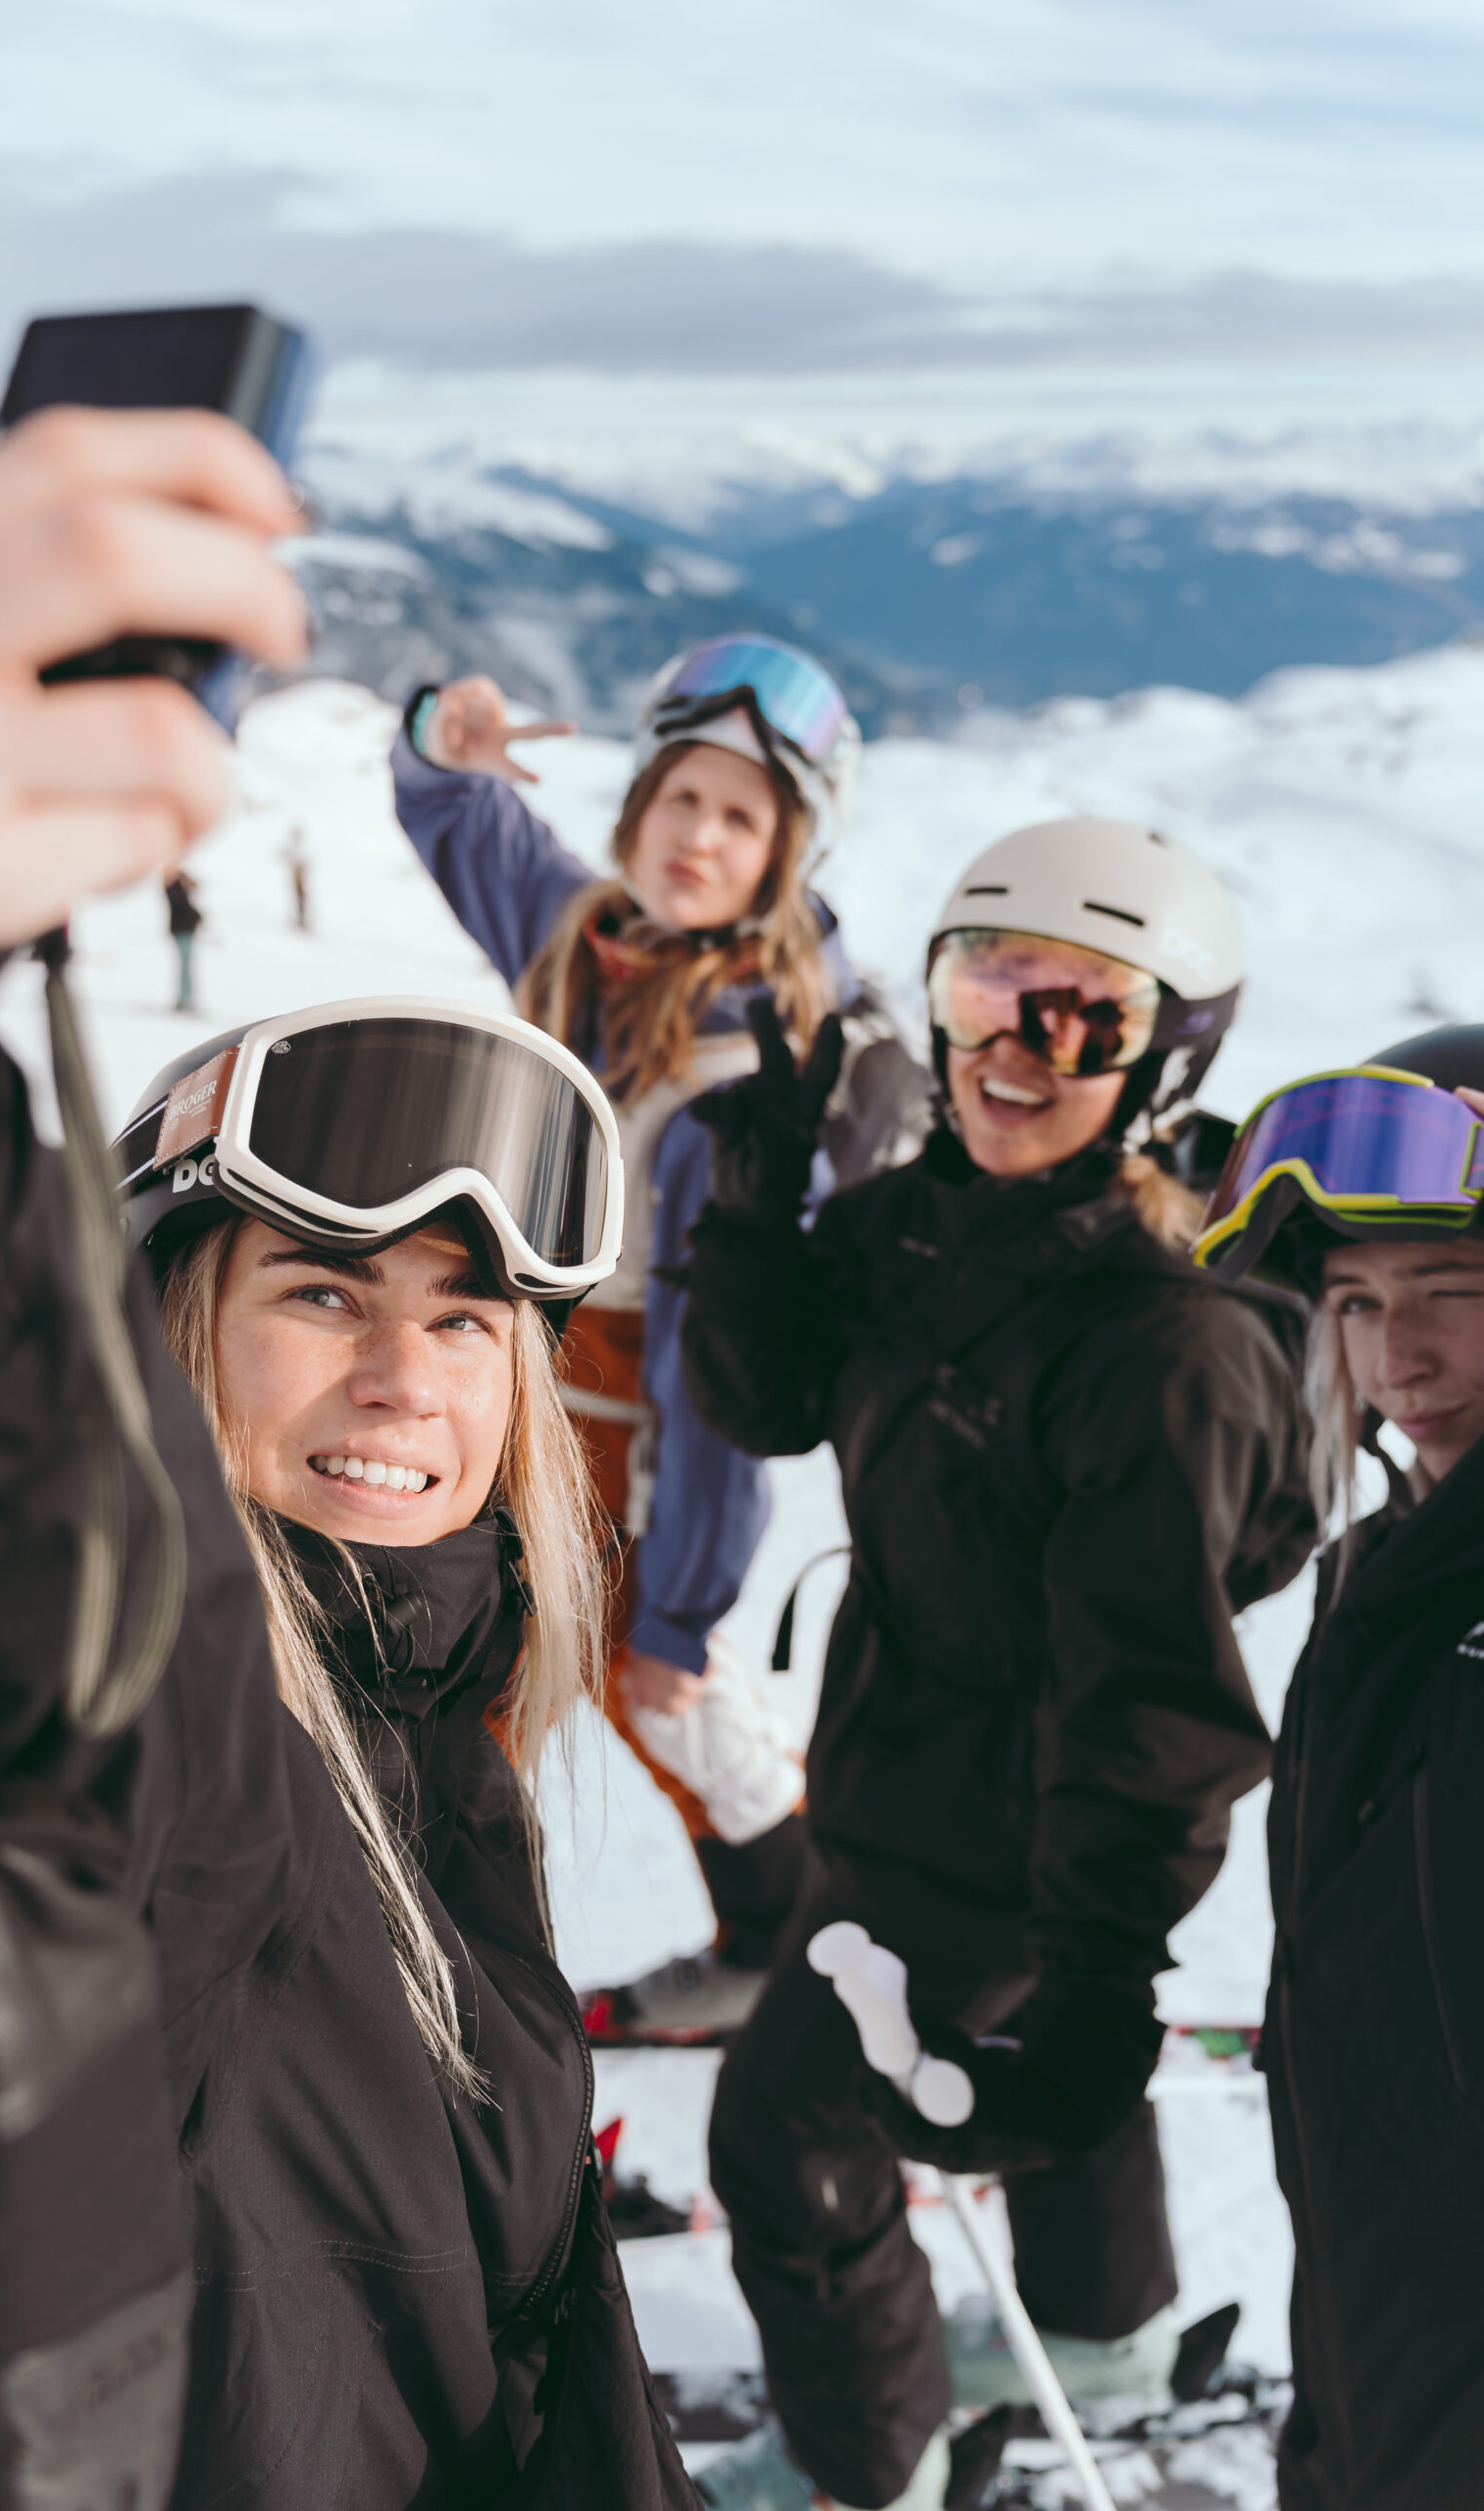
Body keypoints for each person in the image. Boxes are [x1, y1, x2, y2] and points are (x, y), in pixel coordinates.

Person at [0, 403, 697, 2509]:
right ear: (171, 1333)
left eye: (465, 1318)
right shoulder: (179, 1739)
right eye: (319, 1292)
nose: (404, 1377)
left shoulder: (429, 1730)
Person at [679, 818, 1317, 2511]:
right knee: (1010, 2053)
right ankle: (1101, 2327)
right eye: (982, 989)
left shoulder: (1158, 1340)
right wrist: (755, 1199)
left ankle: (859, 2463)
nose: (1010, 1049)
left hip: (1005, 1820)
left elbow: (1150, 1698)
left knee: (786, 2135)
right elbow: (765, 1397)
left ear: (1166, 1059)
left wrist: (1098, 1956)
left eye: (1081, 1015)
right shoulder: (924, 1222)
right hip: (908, 1750)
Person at [391, 645, 926, 2033]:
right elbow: (462, 824)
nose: (698, 835)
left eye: (741, 818)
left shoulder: (743, 1082)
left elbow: (712, 1390)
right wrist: (442, 741)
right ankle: (420, 1954)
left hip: (620, 1457)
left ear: (785, 857)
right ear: (637, 805)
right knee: (470, 1689)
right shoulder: (584, 944)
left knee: (624, 1688)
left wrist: (684, 1600)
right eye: (681, 797)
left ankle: (771, 1941)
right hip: (515, 1403)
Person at [1195, 1030, 1484, 2510]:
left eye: (1454, 1294)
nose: (1396, 1359)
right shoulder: (1381, 1574)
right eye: (1358, 1302)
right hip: (1370, 2324)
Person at [165, 862, 202, 1009]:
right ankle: (184, 1000)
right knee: (185, 966)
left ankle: (186, 998)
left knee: (187, 966)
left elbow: (196, 886)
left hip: (185, 930)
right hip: (181, 930)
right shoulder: (172, 886)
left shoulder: (179, 884)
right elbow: (182, 907)